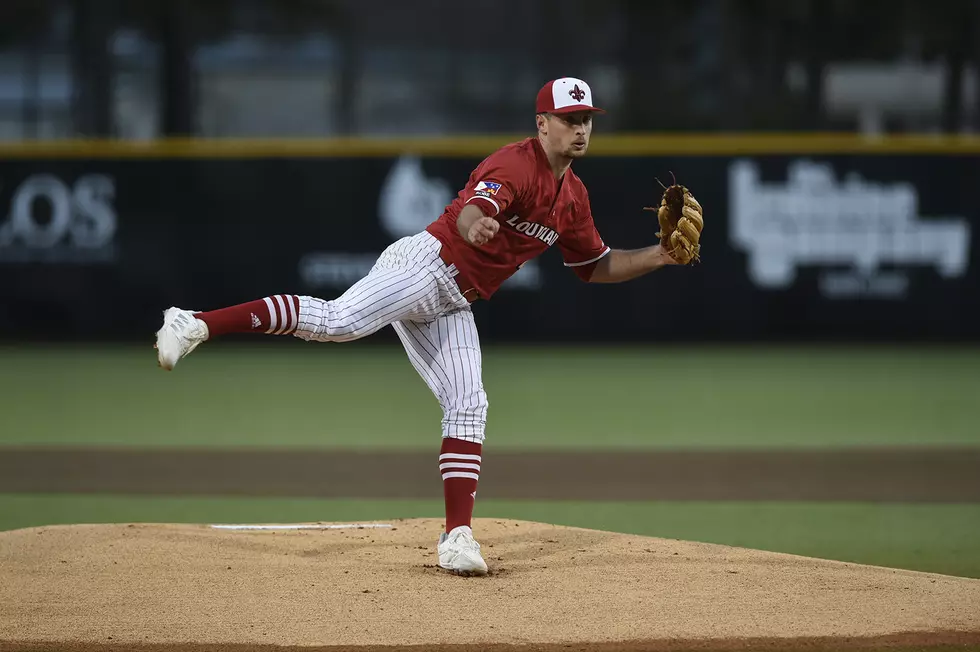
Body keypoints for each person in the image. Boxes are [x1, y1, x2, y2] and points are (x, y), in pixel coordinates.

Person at [155, 77, 697, 576]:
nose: (580, 128)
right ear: (542, 124)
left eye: (587, 119)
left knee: (469, 402)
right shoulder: (514, 167)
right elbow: (468, 210)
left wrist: (661, 257)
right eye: (569, 118)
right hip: (426, 264)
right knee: (339, 321)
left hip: (455, 299)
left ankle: (456, 538)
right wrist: (476, 224)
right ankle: (196, 323)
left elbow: (593, 266)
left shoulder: (573, 198)